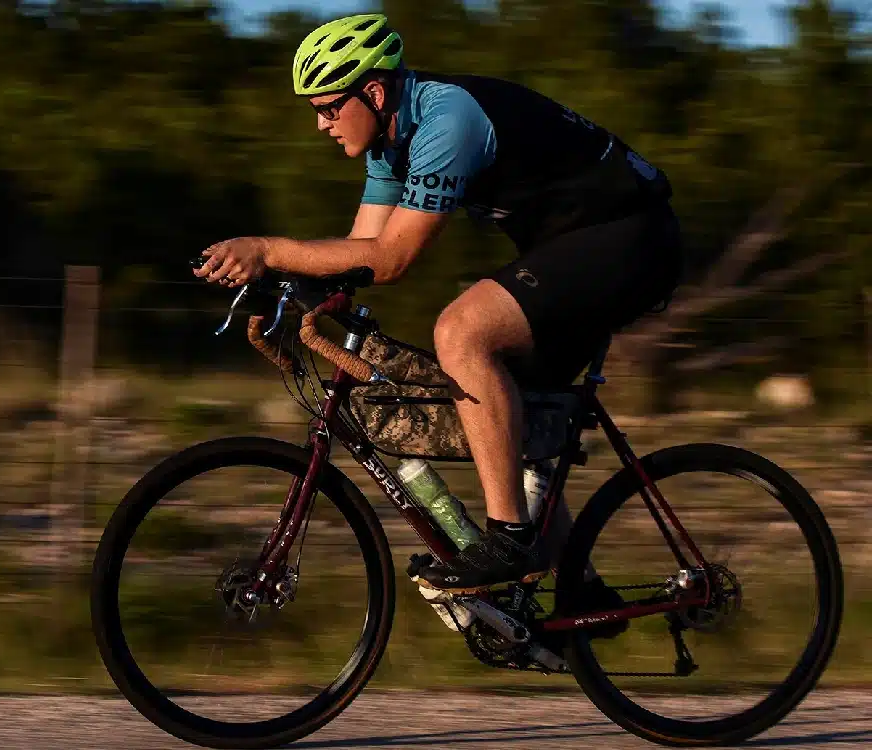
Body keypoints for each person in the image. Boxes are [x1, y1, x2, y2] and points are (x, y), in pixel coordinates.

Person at [192, 13, 682, 631]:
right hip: (576, 245)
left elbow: (393, 259)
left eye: (329, 107)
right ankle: (583, 595)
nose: (320, 124)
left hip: (631, 238)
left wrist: (268, 248)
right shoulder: (391, 141)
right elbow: (361, 251)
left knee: (462, 331)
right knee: (512, 411)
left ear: (373, 92)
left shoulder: (449, 119)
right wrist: (281, 288)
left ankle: (510, 541)